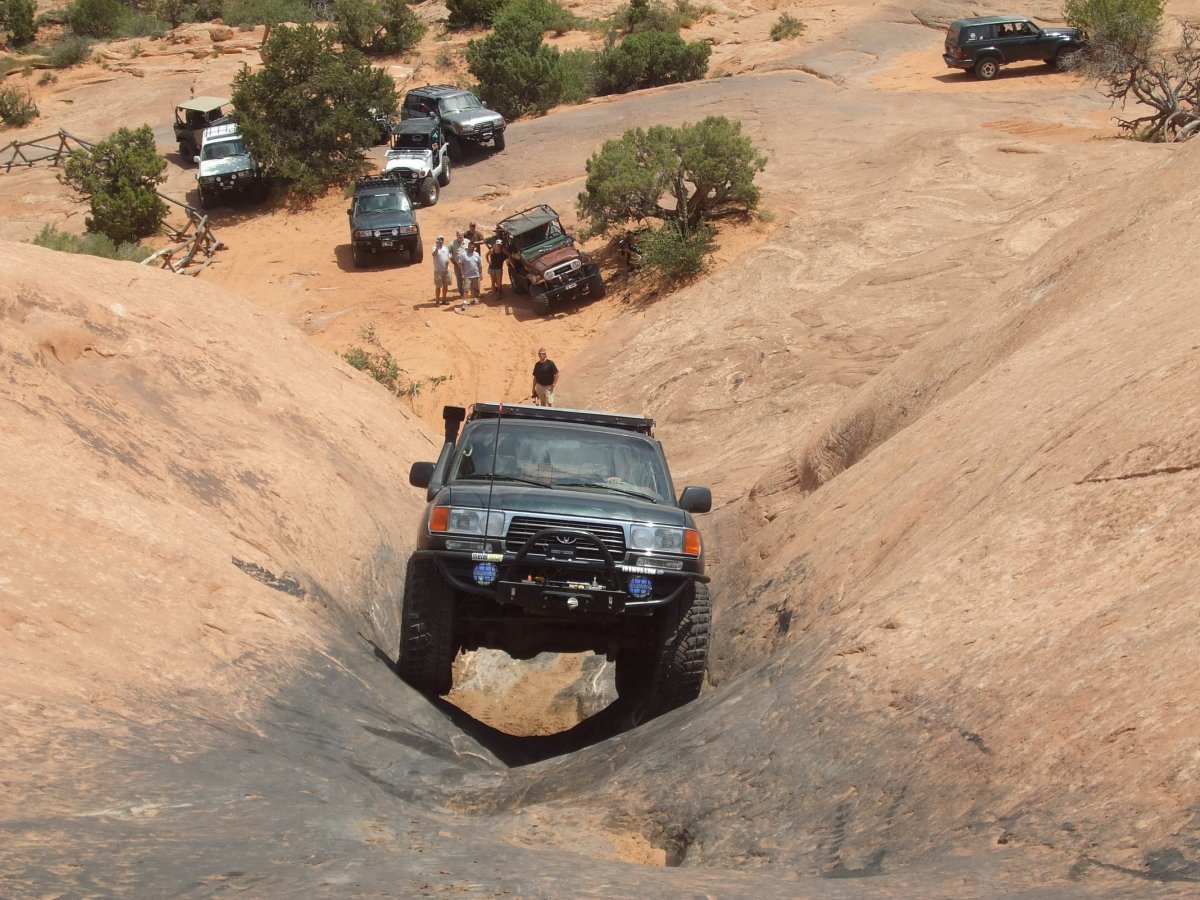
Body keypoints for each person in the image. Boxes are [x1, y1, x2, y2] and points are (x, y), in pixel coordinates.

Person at [460, 242, 483, 308]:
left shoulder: (476, 254)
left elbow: (479, 264)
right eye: (471, 247)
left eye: (473, 247)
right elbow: (461, 264)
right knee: (466, 289)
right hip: (467, 275)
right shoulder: (464, 254)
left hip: (476, 274)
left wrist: (480, 273)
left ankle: (472, 299)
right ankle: (464, 302)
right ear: (468, 247)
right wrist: (462, 274)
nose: (472, 248)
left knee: (474, 288)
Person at [431, 235, 451, 304]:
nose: (440, 242)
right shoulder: (434, 248)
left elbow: (448, 256)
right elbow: (434, 254)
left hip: (446, 270)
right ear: (436, 241)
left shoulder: (446, 248)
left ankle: (444, 299)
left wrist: (448, 260)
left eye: (442, 241)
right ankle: (437, 301)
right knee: (438, 286)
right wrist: (437, 248)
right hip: (438, 271)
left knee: (445, 285)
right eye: (439, 241)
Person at [449, 230, 467, 298]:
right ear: (456, 235)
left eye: (462, 235)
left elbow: (473, 249)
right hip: (458, 265)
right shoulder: (452, 243)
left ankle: (468, 291)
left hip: (467, 264)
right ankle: (462, 293)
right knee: (459, 279)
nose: (460, 236)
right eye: (459, 235)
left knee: (468, 278)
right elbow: (448, 252)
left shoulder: (467, 242)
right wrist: (451, 259)